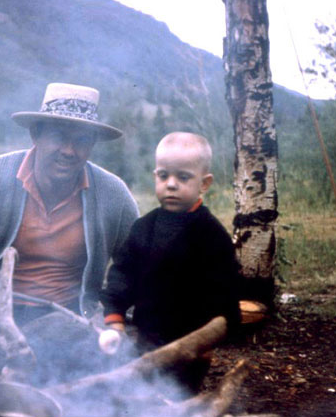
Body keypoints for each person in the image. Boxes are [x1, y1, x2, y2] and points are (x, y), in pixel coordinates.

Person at [0, 83, 139, 344]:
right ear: (36, 134)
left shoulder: (113, 194)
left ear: (92, 145)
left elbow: (138, 266)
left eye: (81, 140)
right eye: (59, 136)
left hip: (68, 318)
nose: (69, 151)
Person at [100, 132, 240, 387]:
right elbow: (122, 274)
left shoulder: (211, 235)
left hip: (191, 347)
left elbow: (225, 294)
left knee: (175, 402)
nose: (171, 184)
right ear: (155, 176)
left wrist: (209, 339)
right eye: (164, 176)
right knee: (138, 397)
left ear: (204, 183)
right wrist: (115, 318)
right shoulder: (144, 227)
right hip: (144, 339)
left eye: (183, 177)